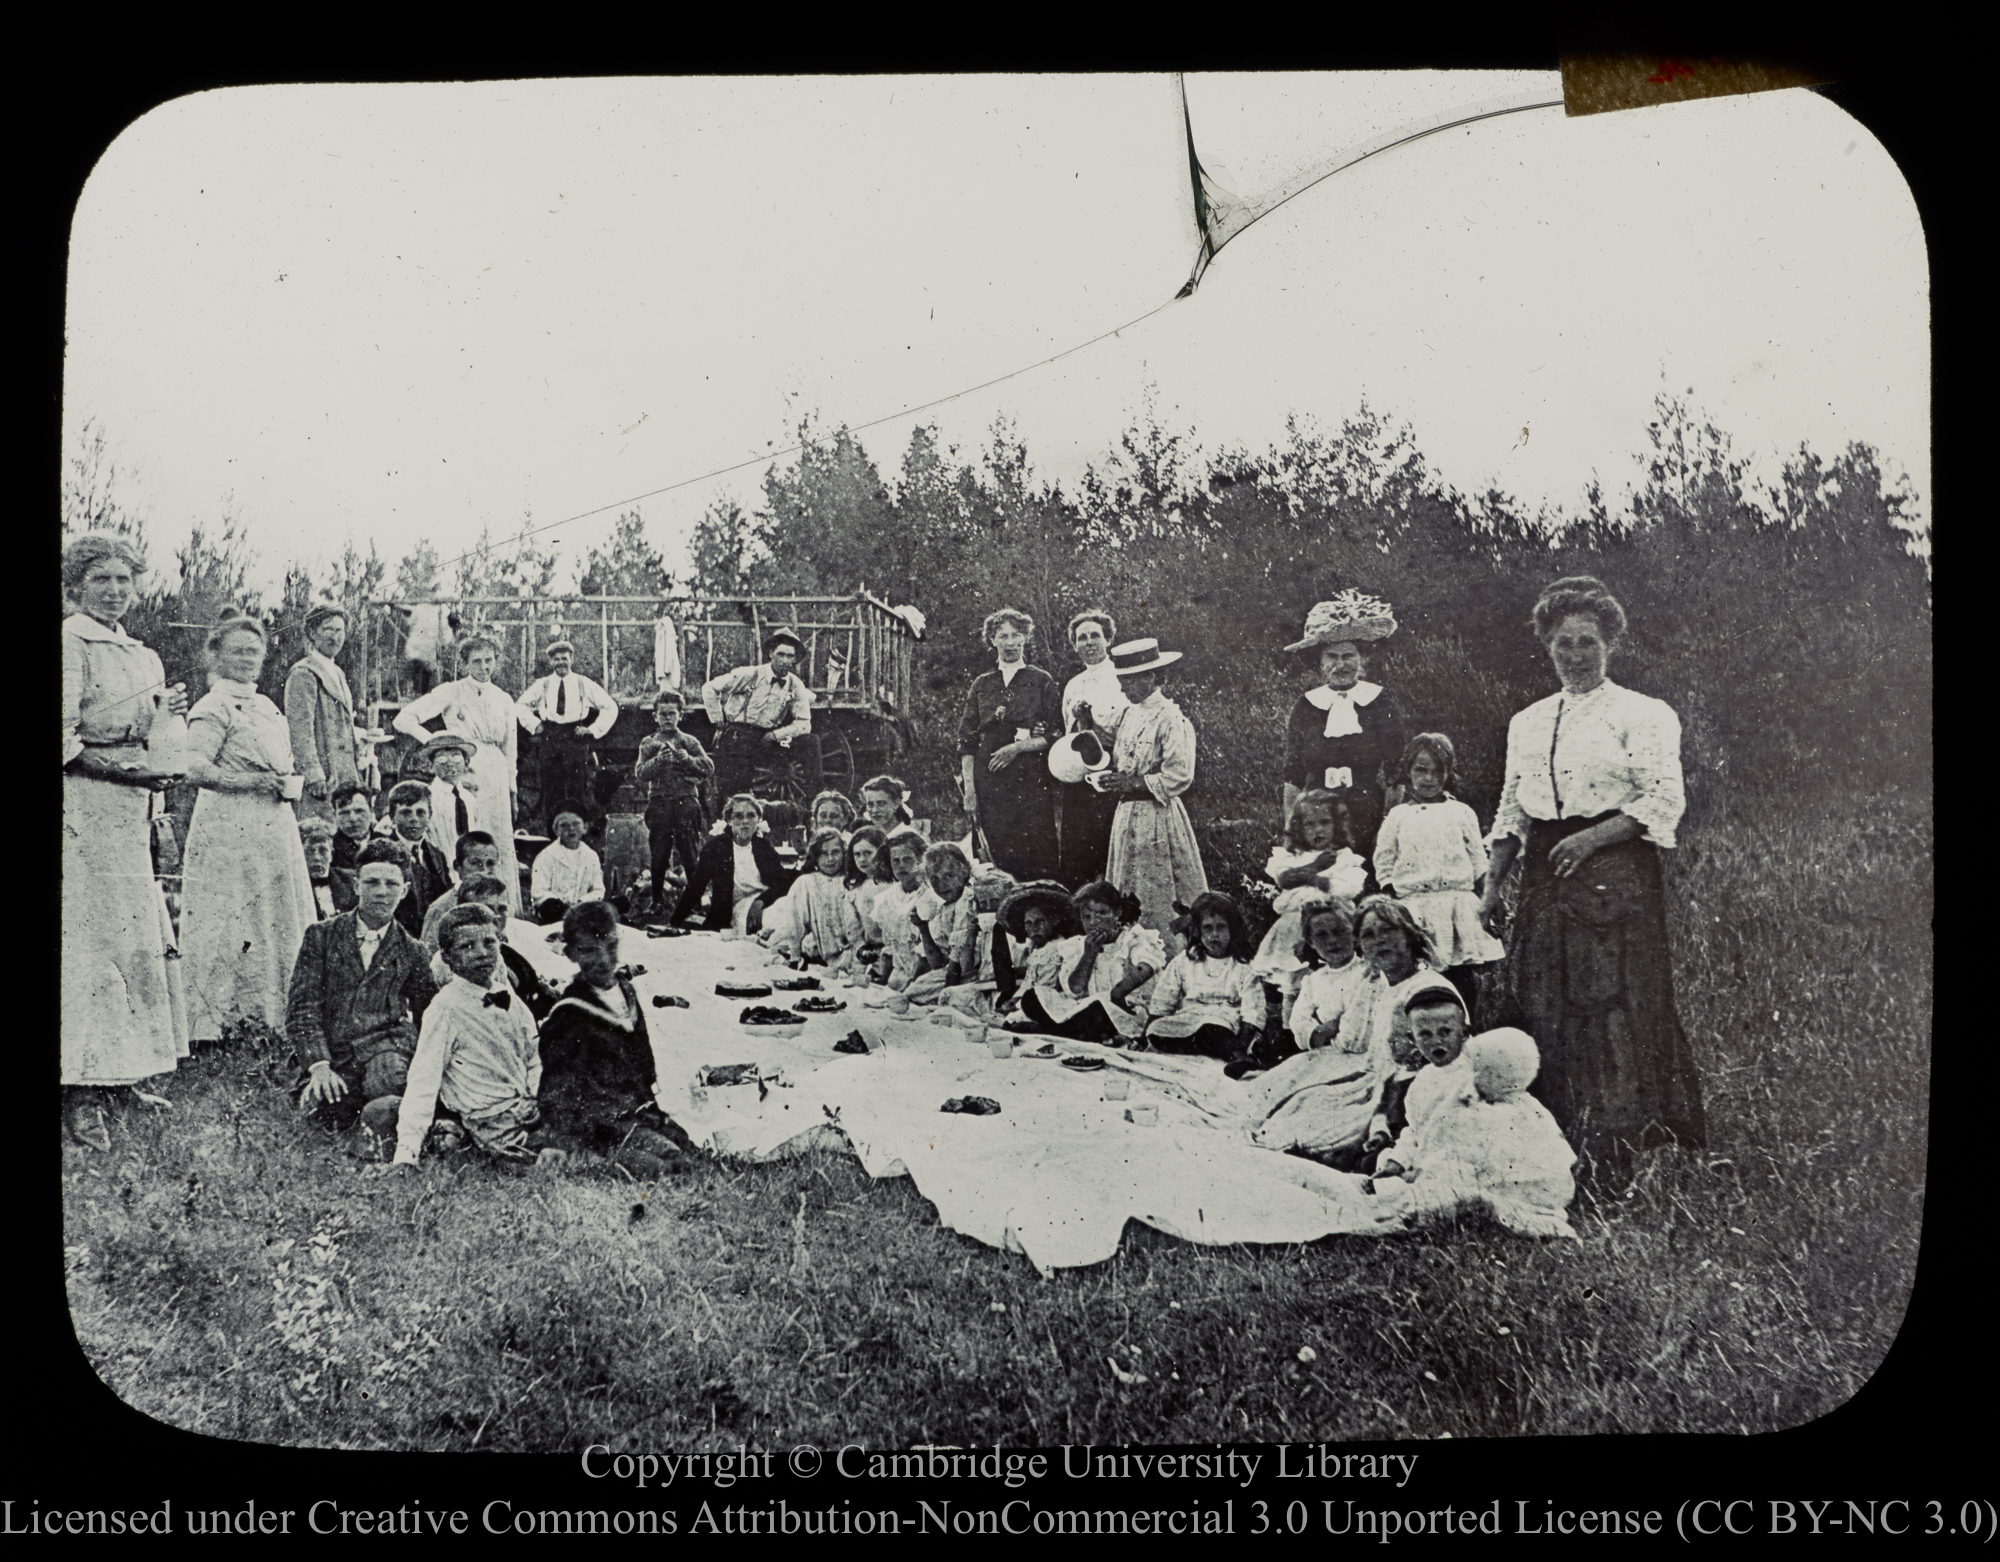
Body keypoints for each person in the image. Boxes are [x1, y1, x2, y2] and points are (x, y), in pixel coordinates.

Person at [1479, 575, 1705, 1168]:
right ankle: (1554, 1130)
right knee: (1543, 993)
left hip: (1615, 864)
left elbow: (1661, 799)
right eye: (1563, 643)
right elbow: (1512, 810)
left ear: (1611, 644)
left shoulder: (1643, 713)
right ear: (1547, 646)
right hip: (1546, 870)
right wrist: (1490, 888)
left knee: (1611, 997)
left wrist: (1590, 840)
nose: (1575, 654)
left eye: (1587, 642)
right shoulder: (1526, 721)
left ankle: (1628, 1135)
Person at [61, 533, 191, 1149]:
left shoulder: (143, 653)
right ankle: (79, 1090)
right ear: (77, 586)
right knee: (85, 944)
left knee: (130, 940)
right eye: (102, 580)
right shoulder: (68, 642)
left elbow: (154, 735)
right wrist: (124, 770)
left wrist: (166, 723)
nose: (115, 590)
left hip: (129, 810)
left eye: (124, 580)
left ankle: (122, 1073)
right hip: (81, 808)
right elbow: (62, 738)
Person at [180, 616, 317, 1044]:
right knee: (236, 914)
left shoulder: (266, 705)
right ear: (216, 655)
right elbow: (193, 768)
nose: (247, 660)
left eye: (254, 652)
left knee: (276, 914)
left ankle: (277, 1016)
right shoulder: (212, 707)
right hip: (229, 828)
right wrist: (254, 782)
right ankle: (221, 1023)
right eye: (237, 651)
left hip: (273, 824)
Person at [285, 840, 437, 1153]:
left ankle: (394, 1125)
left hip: (386, 1048)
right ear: (356, 885)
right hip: (335, 1053)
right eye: (372, 882)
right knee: (321, 1112)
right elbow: (303, 1007)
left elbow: (429, 1014)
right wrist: (319, 1066)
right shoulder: (322, 936)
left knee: (387, 1087)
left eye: (391, 884)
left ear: (405, 890)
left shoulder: (413, 950)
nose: (382, 892)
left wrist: (425, 1070)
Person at [1372, 1027, 1579, 1238]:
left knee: (1419, 1199)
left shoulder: (1497, 1116)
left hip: (1493, 1189)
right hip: (1473, 1180)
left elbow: (1461, 1164)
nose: (1471, 1078)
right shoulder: (1519, 1108)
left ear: (1501, 1077)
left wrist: (1420, 1175)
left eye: (1480, 1072)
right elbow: (1429, 1136)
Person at [389, 905, 549, 1169]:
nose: (482, 953)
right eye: (467, 947)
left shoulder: (509, 999)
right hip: (491, 1118)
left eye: (489, 942)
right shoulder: (445, 1008)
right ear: (448, 958)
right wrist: (406, 1153)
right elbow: (423, 1080)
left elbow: (535, 1055)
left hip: (528, 1108)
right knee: (561, 1158)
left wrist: (534, 1096)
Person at [536, 901, 686, 1177]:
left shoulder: (626, 990)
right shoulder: (569, 1014)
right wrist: (559, 1140)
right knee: (665, 1167)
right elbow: (556, 1086)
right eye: (589, 951)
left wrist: (649, 1104)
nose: (604, 960)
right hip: (595, 1124)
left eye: (611, 946)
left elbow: (643, 1057)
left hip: (632, 1112)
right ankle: (585, 1159)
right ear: (570, 953)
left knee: (683, 1149)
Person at [1374, 732, 1504, 1026]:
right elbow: (1384, 862)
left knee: (1460, 975)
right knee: (1424, 974)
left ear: (1448, 773)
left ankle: (1466, 1029)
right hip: (1416, 907)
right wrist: (1394, 904)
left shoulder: (1461, 812)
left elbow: (1477, 860)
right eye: (1421, 770)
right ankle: (1427, 1033)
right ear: (1408, 771)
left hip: (1457, 905)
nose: (1429, 778)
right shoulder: (1396, 816)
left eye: (1437, 771)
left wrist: (1491, 898)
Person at [392, 634, 523, 915]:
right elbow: (403, 719)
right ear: (465, 663)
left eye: (489, 660)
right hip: (466, 771)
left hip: (497, 776)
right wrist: (441, 744)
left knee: (494, 841)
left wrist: (512, 791)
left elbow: (510, 749)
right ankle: (461, 904)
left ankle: (499, 910)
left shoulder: (504, 699)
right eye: (476, 661)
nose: (484, 667)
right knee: (463, 835)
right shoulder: (451, 691)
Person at [1280, 590, 1408, 867]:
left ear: (1362, 659)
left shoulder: (1379, 701)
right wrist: (1291, 827)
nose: (1341, 665)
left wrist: (1388, 824)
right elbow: (1292, 774)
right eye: (1332, 657)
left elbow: (1396, 773)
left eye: (1349, 655)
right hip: (1316, 817)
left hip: (1368, 813)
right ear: (1320, 662)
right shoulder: (1306, 706)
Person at [1098, 638, 1208, 935]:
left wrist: (1132, 782)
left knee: (1158, 891)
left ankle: (1167, 957)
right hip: (1127, 815)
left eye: (1131, 680)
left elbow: (1179, 774)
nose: (1124, 688)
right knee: (1127, 888)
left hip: (1157, 817)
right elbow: (1121, 750)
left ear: (1153, 677)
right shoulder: (1129, 713)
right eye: (1121, 680)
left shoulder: (1171, 717)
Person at [1248, 789, 1368, 1031]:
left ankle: (1338, 1026)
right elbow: (1284, 880)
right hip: (1295, 926)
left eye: (1325, 822)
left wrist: (1323, 882)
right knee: (1294, 983)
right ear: (1298, 828)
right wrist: (1314, 868)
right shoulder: (1292, 855)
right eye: (1310, 824)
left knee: (1334, 978)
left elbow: (1352, 887)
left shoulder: (1343, 857)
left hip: (1333, 926)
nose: (1318, 830)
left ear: (1336, 825)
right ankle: (1289, 1032)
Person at [958, 608, 1060, 882]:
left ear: (1025, 638)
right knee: (1000, 850)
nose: (1010, 642)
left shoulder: (1041, 680)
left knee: (1038, 848)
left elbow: (1055, 734)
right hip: (990, 776)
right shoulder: (982, 684)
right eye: (1002, 636)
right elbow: (966, 742)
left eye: (1016, 635)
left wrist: (1016, 749)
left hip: (1030, 775)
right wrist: (970, 791)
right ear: (992, 641)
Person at [1012, 881, 1163, 1045]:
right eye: (1087, 917)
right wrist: (1089, 954)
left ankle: (1049, 1030)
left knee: (1096, 1012)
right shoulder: (1078, 945)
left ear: (1117, 913)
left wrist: (1118, 993)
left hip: (1119, 1009)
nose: (1093, 922)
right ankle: (1070, 1032)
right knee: (1033, 996)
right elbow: (1074, 990)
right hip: (1083, 1005)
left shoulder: (1131, 940)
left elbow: (1148, 965)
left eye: (1102, 913)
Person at [1054, 608, 1130, 888]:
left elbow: (1125, 726)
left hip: (1112, 769)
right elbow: (1067, 733)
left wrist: (1092, 722)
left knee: (1108, 845)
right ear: (1075, 645)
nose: (1089, 642)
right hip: (1079, 774)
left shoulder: (1120, 677)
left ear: (1107, 639)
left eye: (1095, 635)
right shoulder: (1073, 685)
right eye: (1082, 638)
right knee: (1079, 849)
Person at [700, 630, 819, 805]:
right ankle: (727, 817)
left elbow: (804, 723)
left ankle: (813, 804)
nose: (785, 660)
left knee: (810, 742)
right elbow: (710, 688)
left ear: (794, 659)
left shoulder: (795, 685)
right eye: (780, 654)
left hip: (770, 739)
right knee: (735, 786)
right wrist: (718, 721)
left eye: (789, 656)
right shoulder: (750, 674)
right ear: (771, 653)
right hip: (741, 734)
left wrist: (776, 735)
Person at [1141, 891, 1263, 1060]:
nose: (1214, 935)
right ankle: (1205, 1048)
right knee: (1156, 1031)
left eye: (1221, 927)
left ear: (1232, 929)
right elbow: (1164, 998)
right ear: (1198, 930)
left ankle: (1236, 1054)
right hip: (1190, 1018)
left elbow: (1253, 1009)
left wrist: (1242, 1045)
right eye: (1207, 928)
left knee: (1214, 1033)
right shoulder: (1184, 961)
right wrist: (1145, 1034)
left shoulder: (1243, 965)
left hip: (1223, 1021)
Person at [514, 639, 620, 833]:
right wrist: (535, 724)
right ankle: (552, 836)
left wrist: (593, 730)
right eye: (556, 659)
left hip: (575, 737)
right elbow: (521, 705)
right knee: (551, 789)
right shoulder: (543, 684)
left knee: (576, 789)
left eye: (564, 658)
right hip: (550, 736)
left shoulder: (583, 683)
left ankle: (577, 835)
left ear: (571, 659)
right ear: (551, 662)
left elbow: (610, 706)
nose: (561, 662)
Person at [633, 690, 713, 916]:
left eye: (672, 713)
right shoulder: (649, 744)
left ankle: (696, 901)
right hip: (659, 803)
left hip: (686, 801)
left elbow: (708, 767)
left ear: (681, 715)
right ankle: (657, 901)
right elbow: (640, 773)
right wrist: (658, 762)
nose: (667, 718)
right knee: (659, 853)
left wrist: (687, 759)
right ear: (655, 716)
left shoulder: (689, 741)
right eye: (663, 713)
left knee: (689, 851)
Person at [284, 604, 362, 821]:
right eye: (328, 629)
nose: (335, 637)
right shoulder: (304, 673)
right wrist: (312, 774)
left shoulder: (337, 672)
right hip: (324, 775)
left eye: (340, 631)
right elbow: (299, 730)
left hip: (344, 771)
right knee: (320, 832)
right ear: (312, 633)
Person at [673, 793, 793, 933]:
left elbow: (782, 884)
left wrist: (759, 902)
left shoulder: (764, 847)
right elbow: (696, 887)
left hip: (765, 904)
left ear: (758, 820)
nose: (745, 821)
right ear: (729, 820)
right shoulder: (716, 848)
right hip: (736, 911)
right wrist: (675, 921)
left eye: (750, 816)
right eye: (738, 816)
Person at [990, 880, 1077, 1019]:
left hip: (1053, 998)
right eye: (1028, 924)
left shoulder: (1061, 946)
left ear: (1054, 920)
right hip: (1032, 997)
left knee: (1014, 1018)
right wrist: (1015, 999)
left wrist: (1019, 1004)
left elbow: (1053, 984)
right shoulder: (1034, 949)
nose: (1034, 928)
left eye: (1040, 922)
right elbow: (1028, 981)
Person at [903, 841, 976, 1004]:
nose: (941, 885)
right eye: (934, 879)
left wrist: (945, 991)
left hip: (971, 972)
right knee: (915, 988)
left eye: (949, 876)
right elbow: (938, 963)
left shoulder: (968, 901)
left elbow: (960, 964)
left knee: (914, 993)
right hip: (953, 971)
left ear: (964, 873)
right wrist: (923, 927)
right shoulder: (944, 908)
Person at [381, 781, 454, 940]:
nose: (414, 819)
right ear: (392, 817)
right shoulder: (382, 854)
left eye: (421, 813)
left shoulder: (436, 855)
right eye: (406, 813)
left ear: (430, 816)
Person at [778, 829, 861, 968]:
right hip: (821, 950)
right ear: (815, 856)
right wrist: (794, 955)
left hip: (852, 951)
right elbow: (794, 920)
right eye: (823, 853)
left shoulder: (852, 882)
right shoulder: (807, 882)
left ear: (844, 854)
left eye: (835, 852)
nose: (830, 859)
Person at [869, 829, 935, 990]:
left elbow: (927, 952)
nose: (901, 866)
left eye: (907, 860)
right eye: (896, 861)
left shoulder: (931, 896)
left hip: (926, 973)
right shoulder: (887, 897)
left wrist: (912, 981)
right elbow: (891, 947)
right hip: (898, 973)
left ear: (921, 860)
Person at [418, 831, 504, 952]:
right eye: (475, 863)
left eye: (490, 864)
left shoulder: (499, 902)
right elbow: (429, 954)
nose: (484, 870)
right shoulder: (442, 908)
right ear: (457, 866)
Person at [416, 734, 483, 863]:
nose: (450, 763)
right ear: (431, 766)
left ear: (466, 763)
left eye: (456, 756)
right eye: (441, 758)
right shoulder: (426, 798)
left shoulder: (470, 799)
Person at [838, 826, 893, 980]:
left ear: (881, 854)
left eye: (868, 853)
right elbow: (852, 926)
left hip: (891, 953)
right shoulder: (854, 888)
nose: (862, 859)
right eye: (857, 855)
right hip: (866, 953)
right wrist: (860, 948)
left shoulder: (893, 885)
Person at [532, 810, 606, 924]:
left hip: (582, 909)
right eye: (564, 825)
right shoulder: (546, 856)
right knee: (551, 908)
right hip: (556, 910)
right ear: (556, 830)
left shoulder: (591, 856)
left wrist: (581, 902)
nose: (571, 829)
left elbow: (598, 890)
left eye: (576, 824)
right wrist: (561, 906)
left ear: (585, 827)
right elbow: (539, 891)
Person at [300, 817, 357, 920]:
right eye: (309, 851)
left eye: (323, 850)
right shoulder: (295, 886)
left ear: (331, 854)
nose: (316, 857)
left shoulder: (350, 881)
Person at [330, 784, 377, 877]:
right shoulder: (331, 850)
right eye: (344, 813)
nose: (353, 819)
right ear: (335, 815)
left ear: (371, 812)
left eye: (359, 811)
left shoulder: (387, 843)